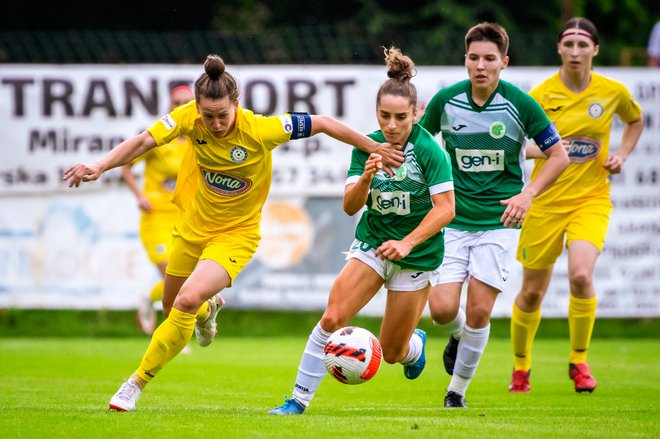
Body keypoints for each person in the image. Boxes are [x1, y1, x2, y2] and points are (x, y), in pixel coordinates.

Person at [63, 53, 405, 412]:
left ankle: (134, 385)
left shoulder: (262, 129)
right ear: (197, 109)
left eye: (222, 115)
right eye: (207, 116)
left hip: (236, 235)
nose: (214, 124)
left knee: (184, 301)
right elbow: (143, 141)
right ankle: (209, 308)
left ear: (236, 106)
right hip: (193, 229)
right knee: (172, 308)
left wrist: (372, 146)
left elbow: (320, 122)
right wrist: (99, 165)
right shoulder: (187, 118)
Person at [268, 47, 455, 415]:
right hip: (371, 244)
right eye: (384, 116)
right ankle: (298, 400)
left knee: (392, 351)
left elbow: (446, 210)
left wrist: (406, 242)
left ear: (415, 114)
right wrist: (367, 176)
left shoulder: (430, 152)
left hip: (417, 254)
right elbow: (350, 206)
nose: (391, 125)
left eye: (401, 117)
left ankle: (413, 348)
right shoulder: (366, 146)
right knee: (332, 318)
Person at [418, 22, 570, 408]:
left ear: (504, 62)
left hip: (499, 222)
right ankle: (456, 336)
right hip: (453, 219)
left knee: (480, 310)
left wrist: (529, 193)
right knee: (441, 311)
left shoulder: (519, 103)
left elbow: (559, 155)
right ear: (465, 60)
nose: (480, 66)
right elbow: (417, 144)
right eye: (473, 58)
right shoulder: (446, 101)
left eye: (489, 59)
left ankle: (457, 391)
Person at [509, 17, 644, 394]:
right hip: (545, 201)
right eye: (568, 44)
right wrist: (553, 150)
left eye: (582, 45)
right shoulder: (539, 95)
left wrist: (622, 154)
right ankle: (521, 369)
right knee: (532, 292)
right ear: (558, 49)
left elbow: (635, 120)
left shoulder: (612, 92)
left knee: (582, 275)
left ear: (595, 50)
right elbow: (520, 144)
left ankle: (579, 362)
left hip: (590, 200)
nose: (574, 51)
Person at [121, 85, 203, 336]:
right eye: (176, 102)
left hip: (184, 216)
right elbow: (126, 166)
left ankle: (149, 298)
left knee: (187, 280)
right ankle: (179, 333)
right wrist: (140, 195)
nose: (181, 106)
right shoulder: (159, 137)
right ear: (169, 107)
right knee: (171, 274)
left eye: (186, 102)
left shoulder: (197, 139)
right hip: (156, 216)